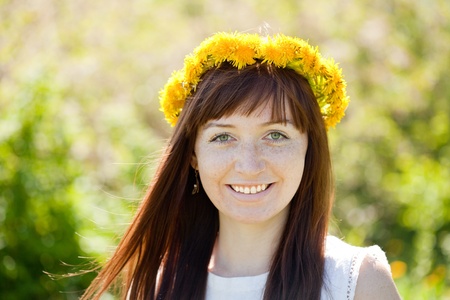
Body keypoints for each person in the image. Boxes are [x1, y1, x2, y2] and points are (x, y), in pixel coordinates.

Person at [81, 32, 401, 299]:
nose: (249, 166)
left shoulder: (357, 282)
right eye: (223, 137)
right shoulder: (154, 285)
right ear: (193, 154)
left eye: (275, 134)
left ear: (309, 148)